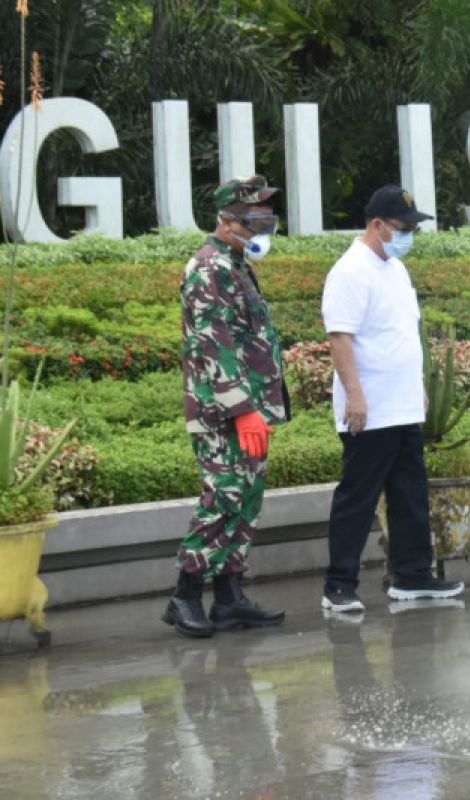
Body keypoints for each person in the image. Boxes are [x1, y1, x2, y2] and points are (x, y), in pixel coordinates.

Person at [320, 185, 464, 615]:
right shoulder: (349, 271)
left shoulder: (395, 269)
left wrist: (417, 385)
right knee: (358, 498)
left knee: (409, 493)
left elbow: (404, 333)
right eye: (402, 228)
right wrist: (356, 397)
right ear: (377, 225)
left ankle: (412, 575)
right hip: (371, 408)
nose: (408, 236)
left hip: (401, 405)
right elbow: (339, 337)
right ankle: (339, 585)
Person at [165, 175, 289, 638]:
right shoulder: (208, 268)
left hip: (248, 410)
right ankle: (186, 595)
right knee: (224, 497)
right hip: (224, 414)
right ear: (227, 220)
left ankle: (230, 597)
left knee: (247, 498)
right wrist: (242, 409)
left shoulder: (234, 263)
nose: (263, 228)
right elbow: (212, 345)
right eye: (255, 219)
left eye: (266, 218)